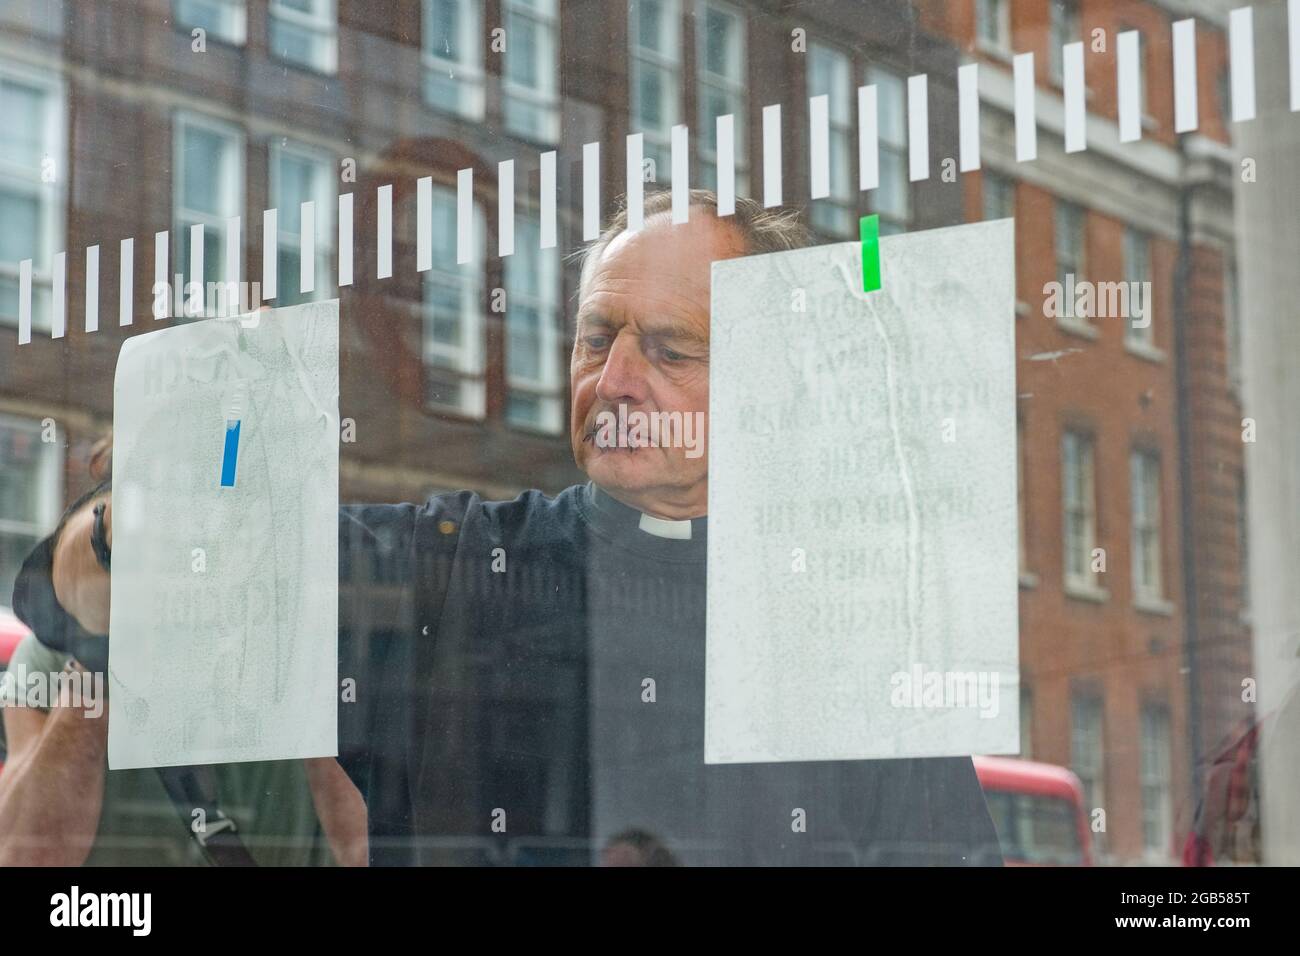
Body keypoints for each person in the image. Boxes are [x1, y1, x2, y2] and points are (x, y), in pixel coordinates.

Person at [34, 189, 1003, 866]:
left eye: (668, 348)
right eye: (597, 336)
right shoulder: (458, 568)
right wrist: (148, 512)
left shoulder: (855, 653)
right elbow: (77, 592)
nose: (615, 379)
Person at [0, 437, 367, 867]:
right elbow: (27, 856)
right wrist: (99, 652)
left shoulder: (284, 646)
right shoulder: (53, 659)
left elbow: (360, 845)